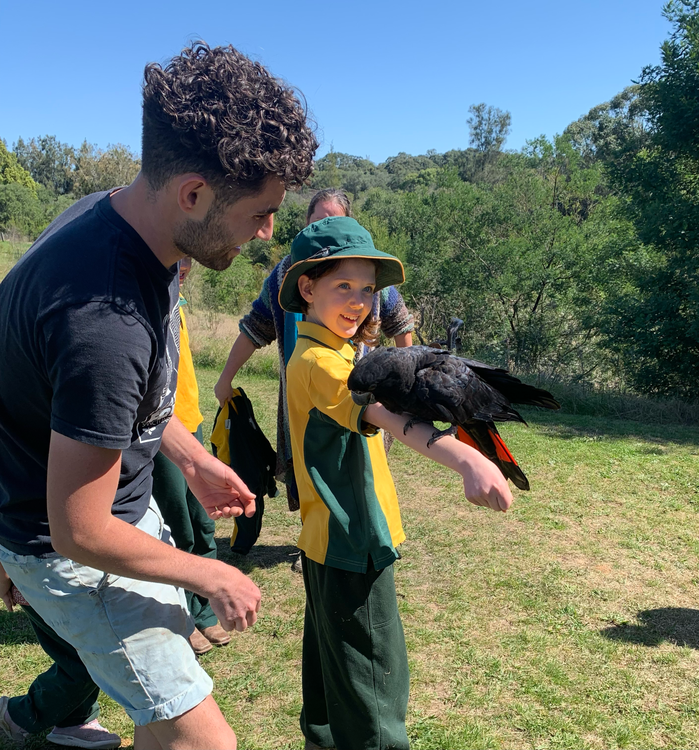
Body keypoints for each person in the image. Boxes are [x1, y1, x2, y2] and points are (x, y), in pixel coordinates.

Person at [0, 42, 317, 750]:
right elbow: (80, 530)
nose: (269, 234)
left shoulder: (124, 225)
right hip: (71, 547)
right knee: (203, 742)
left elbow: (54, 391)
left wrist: (190, 459)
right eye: (261, 213)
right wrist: (210, 572)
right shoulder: (102, 315)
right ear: (195, 193)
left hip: (114, 517)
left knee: (167, 718)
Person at [279, 216, 514, 750]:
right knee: (374, 685)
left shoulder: (331, 350)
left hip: (323, 540)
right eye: (344, 286)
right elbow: (382, 416)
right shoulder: (322, 361)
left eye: (367, 289)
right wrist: (468, 461)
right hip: (353, 541)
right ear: (308, 288)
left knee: (331, 669)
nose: (359, 301)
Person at [214, 189, 414, 570]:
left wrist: (402, 383)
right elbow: (254, 328)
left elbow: (400, 323)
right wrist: (226, 377)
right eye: (316, 221)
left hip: (359, 394)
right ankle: (319, 549)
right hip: (304, 395)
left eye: (332, 220)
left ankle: (365, 543)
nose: (323, 226)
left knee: (361, 472)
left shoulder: (363, 272)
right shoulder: (284, 275)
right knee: (311, 472)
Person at [151, 256, 229, 656]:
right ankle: (189, 613)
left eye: (187, 263)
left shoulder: (177, 303)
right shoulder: (147, 299)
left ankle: (207, 605)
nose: (183, 267)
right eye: (175, 261)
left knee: (204, 520)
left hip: (192, 423)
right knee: (177, 521)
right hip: (162, 433)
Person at [0, 564, 121, 748]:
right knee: (91, 657)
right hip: (41, 579)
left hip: (77, 579)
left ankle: (74, 719)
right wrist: (2, 576)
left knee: (77, 654)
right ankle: (17, 714)